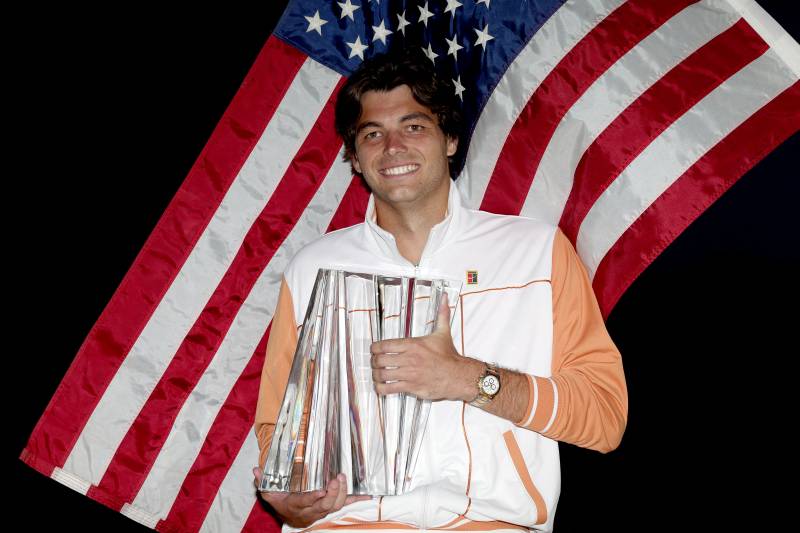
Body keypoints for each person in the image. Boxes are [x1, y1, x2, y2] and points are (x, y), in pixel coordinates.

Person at [252, 48, 627, 533]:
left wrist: (468, 380)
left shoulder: (536, 252)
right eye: (372, 134)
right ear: (354, 157)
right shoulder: (313, 268)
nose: (392, 147)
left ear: (449, 139)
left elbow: (603, 415)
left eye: (413, 127)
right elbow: (276, 431)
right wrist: (291, 498)